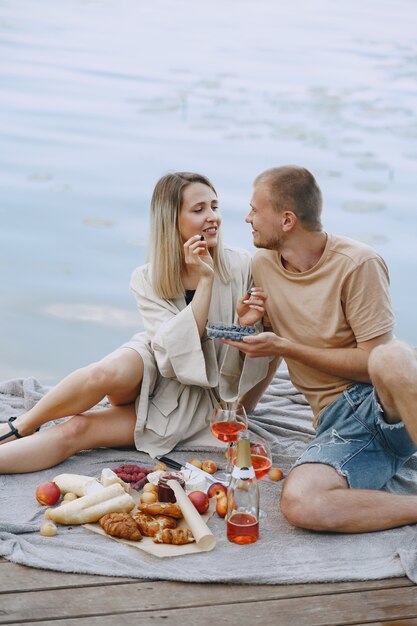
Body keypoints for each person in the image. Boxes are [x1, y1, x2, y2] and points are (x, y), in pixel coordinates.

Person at [0, 172, 274, 473]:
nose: (213, 218)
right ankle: (22, 425)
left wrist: (236, 312)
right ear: (172, 219)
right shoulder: (147, 277)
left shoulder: (242, 265)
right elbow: (170, 350)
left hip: (193, 396)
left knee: (76, 429)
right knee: (101, 374)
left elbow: (259, 348)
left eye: (214, 207)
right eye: (199, 210)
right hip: (156, 358)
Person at [223, 164, 417, 533]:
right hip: (341, 425)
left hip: (389, 403)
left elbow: (371, 363)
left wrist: (287, 346)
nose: (247, 218)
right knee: (301, 504)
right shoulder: (262, 265)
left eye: (254, 209)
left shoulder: (358, 263)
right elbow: (272, 348)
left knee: (392, 354)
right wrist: (242, 407)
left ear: (287, 220)